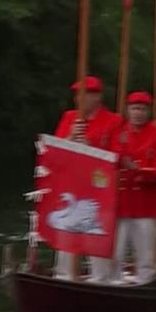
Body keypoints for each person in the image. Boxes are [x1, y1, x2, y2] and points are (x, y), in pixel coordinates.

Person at [53, 75, 122, 280]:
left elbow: (116, 157)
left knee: (96, 244)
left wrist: (91, 147)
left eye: (85, 94)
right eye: (77, 94)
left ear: (97, 97)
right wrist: (71, 138)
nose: (79, 99)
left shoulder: (113, 121)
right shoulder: (69, 118)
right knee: (66, 244)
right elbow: (55, 153)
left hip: (98, 192)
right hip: (72, 189)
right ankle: (64, 279)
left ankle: (101, 282)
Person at [109, 91, 156, 284]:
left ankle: (145, 282)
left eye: (142, 109)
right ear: (127, 110)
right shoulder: (118, 133)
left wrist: (137, 169)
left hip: (145, 204)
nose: (138, 113)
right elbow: (108, 161)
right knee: (115, 250)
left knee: (145, 251)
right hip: (121, 203)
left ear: (148, 111)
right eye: (134, 108)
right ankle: (113, 282)